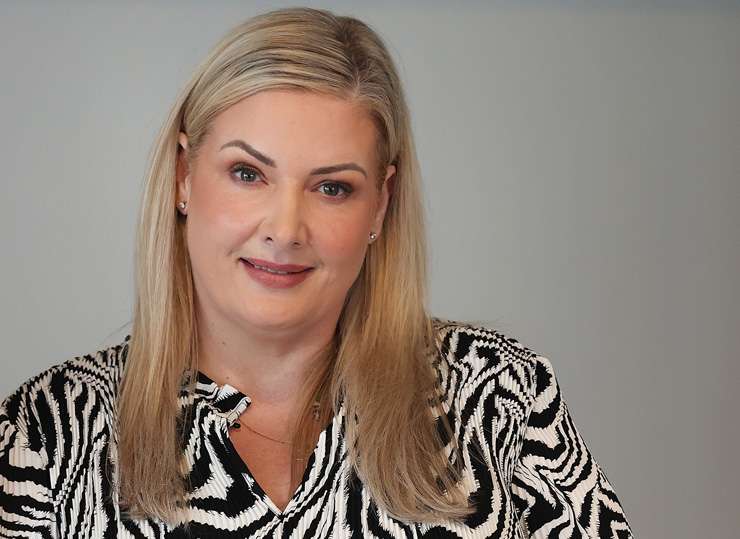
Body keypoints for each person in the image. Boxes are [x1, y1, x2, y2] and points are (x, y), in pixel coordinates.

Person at [0, 7, 633, 538]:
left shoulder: (497, 397)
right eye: (248, 174)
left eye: (332, 188)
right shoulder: (47, 433)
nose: (285, 229)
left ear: (380, 204)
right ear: (184, 177)